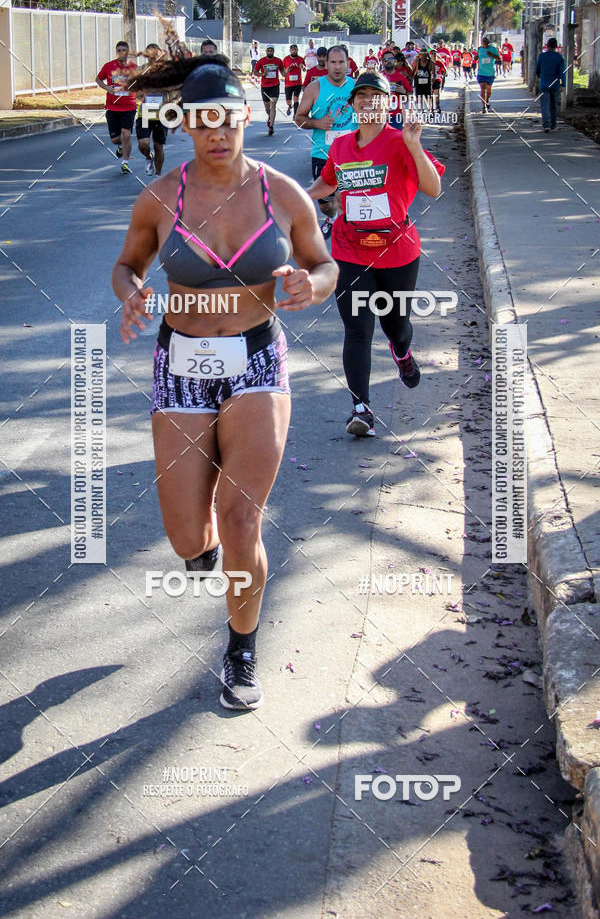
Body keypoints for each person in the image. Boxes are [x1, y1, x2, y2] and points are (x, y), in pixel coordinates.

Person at [113, 56, 337, 710]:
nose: (218, 131)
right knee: (189, 535)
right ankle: (202, 555)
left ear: (244, 118)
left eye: (229, 119)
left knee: (242, 518)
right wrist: (130, 295)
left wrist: (308, 283)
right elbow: (127, 265)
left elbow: (323, 265)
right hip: (180, 363)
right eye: (203, 120)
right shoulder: (160, 197)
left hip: (256, 362)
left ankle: (241, 649)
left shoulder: (282, 194)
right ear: (186, 125)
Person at [307, 72, 444, 437]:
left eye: (376, 96)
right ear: (352, 105)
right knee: (357, 329)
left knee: (396, 326)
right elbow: (327, 183)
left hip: (397, 252)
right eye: (361, 96)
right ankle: (361, 408)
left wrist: (415, 146)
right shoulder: (340, 147)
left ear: (389, 103)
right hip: (350, 248)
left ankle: (401, 353)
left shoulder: (401, 142)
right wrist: (295, 197)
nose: (368, 101)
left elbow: (434, 188)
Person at [295, 45, 356, 238]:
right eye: (333, 62)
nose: (337, 67)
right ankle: (331, 215)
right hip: (323, 153)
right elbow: (299, 119)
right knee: (326, 204)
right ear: (326, 64)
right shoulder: (315, 88)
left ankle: (346, 231)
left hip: (353, 154)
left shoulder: (357, 88)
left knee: (349, 199)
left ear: (348, 64)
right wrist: (317, 123)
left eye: (341, 62)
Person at [96, 40, 138, 174]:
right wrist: (107, 88)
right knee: (115, 139)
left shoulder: (133, 68)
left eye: (123, 50)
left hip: (129, 107)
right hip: (112, 107)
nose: (121, 53)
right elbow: (98, 79)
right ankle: (120, 146)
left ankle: (125, 163)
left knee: (126, 134)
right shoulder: (109, 66)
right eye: (118, 50)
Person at [135, 43, 169, 177]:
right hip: (145, 113)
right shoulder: (141, 71)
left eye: (156, 54)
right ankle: (149, 157)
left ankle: (158, 175)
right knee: (143, 144)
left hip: (161, 114)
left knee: (158, 146)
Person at [536, 37, 565, 131]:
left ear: (547, 46)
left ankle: (546, 125)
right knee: (554, 105)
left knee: (545, 105)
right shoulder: (559, 57)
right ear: (556, 46)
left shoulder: (542, 56)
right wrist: (563, 84)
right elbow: (562, 72)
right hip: (555, 84)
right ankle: (553, 125)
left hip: (544, 83)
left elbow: (537, 70)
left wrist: (541, 77)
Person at [254, 44, 284, 135]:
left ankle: (271, 127)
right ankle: (270, 118)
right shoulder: (261, 61)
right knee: (267, 109)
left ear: (273, 51)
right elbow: (255, 72)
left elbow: (283, 72)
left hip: (275, 86)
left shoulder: (278, 61)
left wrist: (286, 73)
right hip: (265, 86)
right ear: (266, 51)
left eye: (271, 51)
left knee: (273, 105)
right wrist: (261, 74)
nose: (270, 52)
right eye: (268, 51)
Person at [381, 49, 411, 128]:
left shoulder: (401, 77)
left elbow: (411, 95)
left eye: (391, 59)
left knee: (395, 139)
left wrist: (404, 91)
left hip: (396, 116)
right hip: (380, 115)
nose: (388, 61)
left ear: (394, 60)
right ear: (383, 62)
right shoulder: (378, 77)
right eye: (386, 60)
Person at [476, 36, 500, 112]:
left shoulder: (493, 49)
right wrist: (475, 58)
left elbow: (499, 58)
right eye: (483, 41)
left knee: (488, 91)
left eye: (486, 41)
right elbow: (477, 57)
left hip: (490, 73)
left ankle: (487, 99)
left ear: (488, 42)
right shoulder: (480, 49)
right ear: (482, 43)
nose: (484, 43)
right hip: (481, 73)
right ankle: (484, 107)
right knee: (482, 89)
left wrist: (491, 55)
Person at [282, 43, 305, 118]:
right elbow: (283, 72)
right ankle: (289, 106)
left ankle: (295, 115)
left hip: (298, 82)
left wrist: (303, 67)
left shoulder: (301, 59)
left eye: (295, 50)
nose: (294, 51)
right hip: (288, 83)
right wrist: (286, 70)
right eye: (292, 50)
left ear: (297, 50)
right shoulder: (285, 59)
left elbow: (304, 69)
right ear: (290, 51)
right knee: (288, 101)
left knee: (296, 98)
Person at [412, 47, 434, 111]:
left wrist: (433, 79)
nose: (423, 56)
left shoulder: (431, 63)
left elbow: (433, 73)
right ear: (420, 55)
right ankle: (420, 109)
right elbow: (413, 72)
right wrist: (411, 80)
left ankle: (428, 110)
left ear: (427, 55)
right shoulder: (416, 62)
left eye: (425, 54)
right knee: (419, 97)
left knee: (427, 97)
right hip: (418, 82)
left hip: (427, 83)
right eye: (422, 54)